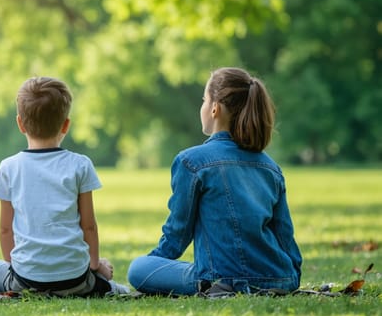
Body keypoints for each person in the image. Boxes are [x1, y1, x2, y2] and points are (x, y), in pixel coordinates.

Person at [127, 67, 302, 296]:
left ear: (214, 108)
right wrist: (291, 277)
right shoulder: (271, 167)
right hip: (278, 277)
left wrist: (154, 265)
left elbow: (177, 235)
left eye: (203, 100)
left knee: (138, 268)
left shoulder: (191, 161)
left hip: (222, 278)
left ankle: (214, 285)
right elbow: (284, 235)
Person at [0, 77, 128, 297]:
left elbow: (5, 229)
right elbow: (89, 227)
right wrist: (95, 265)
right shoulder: (80, 164)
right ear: (66, 124)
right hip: (75, 279)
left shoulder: (9, 167)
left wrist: (15, 268)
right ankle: (105, 285)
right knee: (94, 277)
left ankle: (91, 280)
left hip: (26, 280)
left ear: (20, 123)